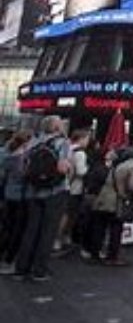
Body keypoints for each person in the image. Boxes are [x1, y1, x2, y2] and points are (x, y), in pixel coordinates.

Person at [13, 116, 72, 282]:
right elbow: (63, 168)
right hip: (55, 191)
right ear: (57, 127)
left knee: (30, 230)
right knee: (48, 231)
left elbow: (22, 167)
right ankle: (39, 270)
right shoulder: (62, 143)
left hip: (33, 191)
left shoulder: (33, 142)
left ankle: (21, 268)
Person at [0, 130, 33, 274]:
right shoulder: (24, 158)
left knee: (7, 227)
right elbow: (25, 176)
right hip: (22, 197)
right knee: (17, 230)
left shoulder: (7, 156)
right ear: (26, 142)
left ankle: (3, 255)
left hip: (9, 195)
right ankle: (9, 261)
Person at [56, 129, 90, 252]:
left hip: (63, 186)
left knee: (63, 213)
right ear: (81, 139)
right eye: (87, 139)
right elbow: (81, 171)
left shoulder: (67, 149)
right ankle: (61, 238)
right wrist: (89, 169)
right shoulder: (80, 153)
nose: (88, 142)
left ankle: (58, 238)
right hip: (75, 188)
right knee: (69, 214)